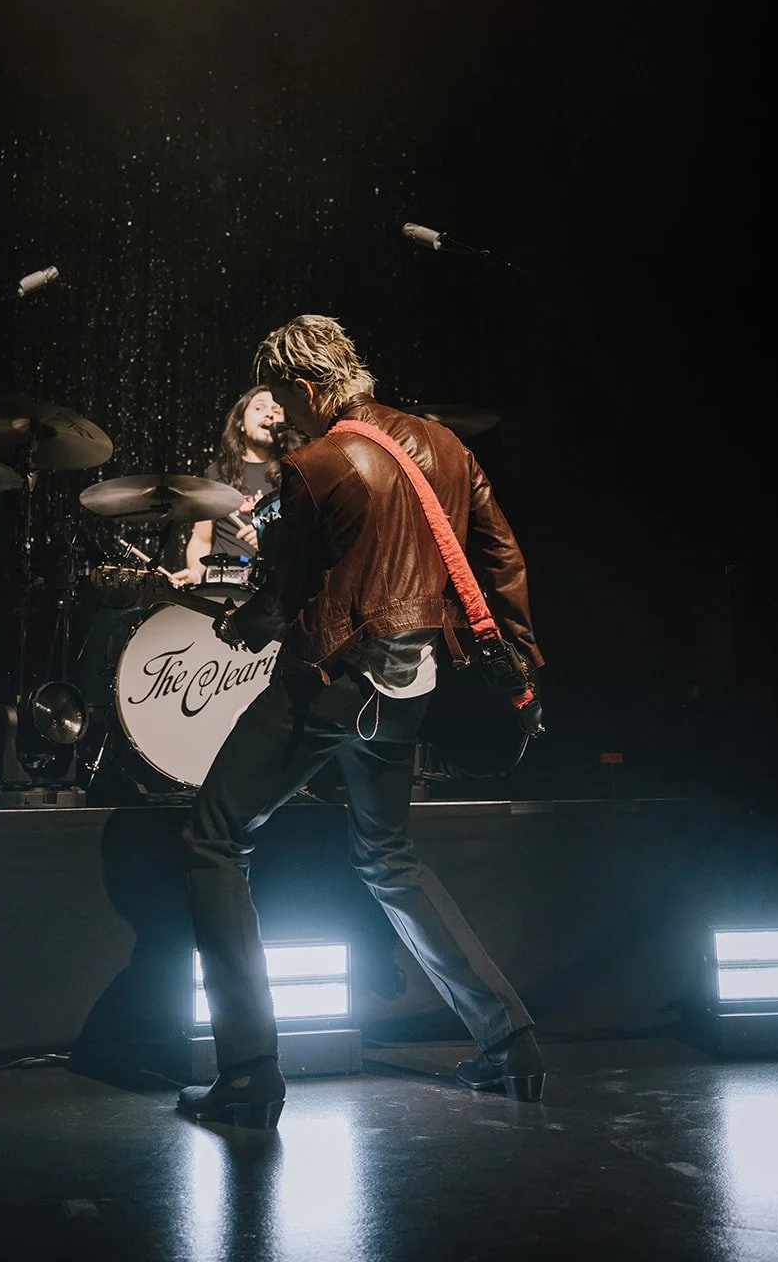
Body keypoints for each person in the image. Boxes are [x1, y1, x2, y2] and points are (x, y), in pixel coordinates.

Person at [177, 313, 546, 1130]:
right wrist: (519, 664)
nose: (282, 418)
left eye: (282, 399)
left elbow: (280, 601)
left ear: (307, 386)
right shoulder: (445, 445)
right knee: (385, 855)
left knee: (212, 839)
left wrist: (243, 623)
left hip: (335, 682)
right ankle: (509, 1040)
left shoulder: (314, 465)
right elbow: (502, 557)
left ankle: (246, 1077)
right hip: (411, 686)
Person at [182, 386, 290, 584]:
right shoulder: (217, 472)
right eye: (259, 408)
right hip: (223, 584)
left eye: (276, 411)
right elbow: (201, 539)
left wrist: (272, 542)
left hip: (274, 586)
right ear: (240, 423)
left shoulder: (294, 473)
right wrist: (195, 574)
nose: (269, 414)